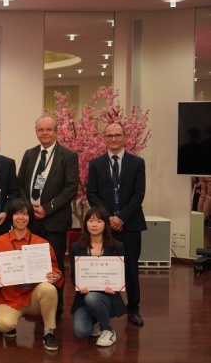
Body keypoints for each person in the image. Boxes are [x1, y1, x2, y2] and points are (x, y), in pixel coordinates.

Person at [16, 115, 79, 316]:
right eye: (41, 130)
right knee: (32, 264)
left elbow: (71, 188)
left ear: (56, 131)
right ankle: (36, 305)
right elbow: (20, 183)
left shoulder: (68, 156)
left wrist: (47, 208)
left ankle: (55, 309)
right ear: (36, 132)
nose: (44, 133)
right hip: (31, 221)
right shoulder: (29, 154)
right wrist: (28, 207)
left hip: (55, 221)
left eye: (48, 130)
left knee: (55, 266)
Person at [86, 122, 146, 327]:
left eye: (117, 135)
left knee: (130, 267)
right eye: (109, 135)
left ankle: (133, 309)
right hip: (104, 226)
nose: (113, 139)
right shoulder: (96, 163)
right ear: (104, 138)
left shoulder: (137, 163)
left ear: (124, 137)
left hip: (130, 224)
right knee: (104, 266)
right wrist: (108, 217)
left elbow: (139, 194)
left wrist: (121, 218)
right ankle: (100, 307)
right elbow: (91, 193)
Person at [0, 199, 63, 351]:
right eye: (16, 213)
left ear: (30, 216)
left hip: (33, 296)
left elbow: (55, 268)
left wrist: (56, 275)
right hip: (10, 297)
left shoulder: (41, 243)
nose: (20, 217)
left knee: (49, 289)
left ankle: (49, 332)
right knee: (3, 324)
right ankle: (11, 327)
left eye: (24, 214)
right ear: (11, 217)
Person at [70, 206, 127, 347]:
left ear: (105, 225)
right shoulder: (77, 247)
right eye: (90, 221)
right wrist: (79, 286)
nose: (94, 225)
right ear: (85, 224)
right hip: (84, 297)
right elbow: (73, 275)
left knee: (93, 297)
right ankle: (96, 320)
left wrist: (114, 286)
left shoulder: (116, 246)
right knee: (81, 332)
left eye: (99, 221)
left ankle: (108, 329)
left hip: (108, 298)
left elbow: (120, 274)